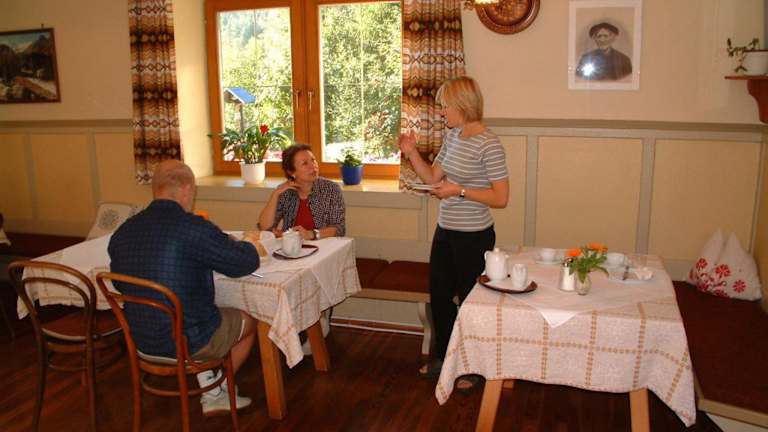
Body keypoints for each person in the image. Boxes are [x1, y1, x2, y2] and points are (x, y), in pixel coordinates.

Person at [108, 160, 261, 417]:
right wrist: (242, 243)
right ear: (187, 189)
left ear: (155, 189)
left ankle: (209, 382)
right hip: (190, 341)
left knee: (195, 308)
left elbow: (119, 284)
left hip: (141, 339)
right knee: (249, 320)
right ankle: (217, 391)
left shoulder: (123, 232)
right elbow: (244, 263)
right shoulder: (193, 227)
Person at [398, 76, 509, 391]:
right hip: (445, 231)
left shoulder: (489, 144)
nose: (441, 112)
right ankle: (446, 358)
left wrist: (459, 191)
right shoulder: (454, 136)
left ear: (463, 105)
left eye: (445, 106)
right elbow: (434, 178)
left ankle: (472, 367)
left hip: (474, 236)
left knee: (472, 302)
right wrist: (411, 152)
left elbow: (501, 198)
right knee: (440, 298)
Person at [258, 143, 346, 240]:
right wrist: (275, 195)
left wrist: (311, 234)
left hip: (324, 245)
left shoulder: (331, 189)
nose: (313, 166)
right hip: (292, 246)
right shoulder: (285, 192)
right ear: (291, 172)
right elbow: (265, 227)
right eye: (305, 163)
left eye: (313, 160)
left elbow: (339, 229)